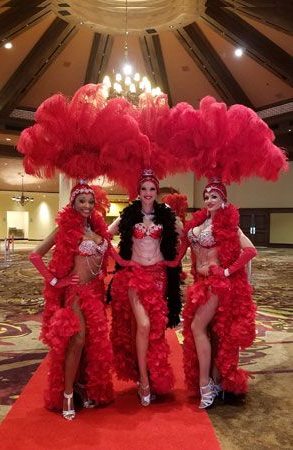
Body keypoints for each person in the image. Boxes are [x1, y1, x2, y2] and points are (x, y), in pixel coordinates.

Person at [29, 181, 132, 420]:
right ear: (73, 203)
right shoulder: (65, 230)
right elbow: (35, 255)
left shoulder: (99, 230)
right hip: (76, 294)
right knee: (78, 339)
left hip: (96, 294)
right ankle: (66, 394)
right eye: (81, 201)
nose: (87, 206)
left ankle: (82, 387)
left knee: (93, 345)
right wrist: (56, 282)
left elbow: (116, 256)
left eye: (90, 201)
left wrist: (145, 265)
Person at [164, 179, 257, 408]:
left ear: (223, 200)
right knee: (210, 331)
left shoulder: (229, 227)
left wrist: (226, 271)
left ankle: (205, 383)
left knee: (197, 327)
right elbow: (179, 254)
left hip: (217, 285)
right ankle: (215, 381)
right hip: (199, 285)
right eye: (206, 196)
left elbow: (250, 250)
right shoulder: (200, 223)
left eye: (214, 196)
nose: (209, 200)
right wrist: (162, 263)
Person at [108, 169, 182, 406]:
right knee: (143, 325)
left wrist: (175, 260)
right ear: (138, 192)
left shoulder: (166, 213)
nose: (148, 193)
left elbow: (189, 235)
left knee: (156, 331)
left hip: (159, 277)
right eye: (144, 189)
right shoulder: (129, 214)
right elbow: (104, 235)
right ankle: (142, 380)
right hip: (135, 275)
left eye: (152, 189)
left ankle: (152, 372)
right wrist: (121, 261)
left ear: (157, 192)